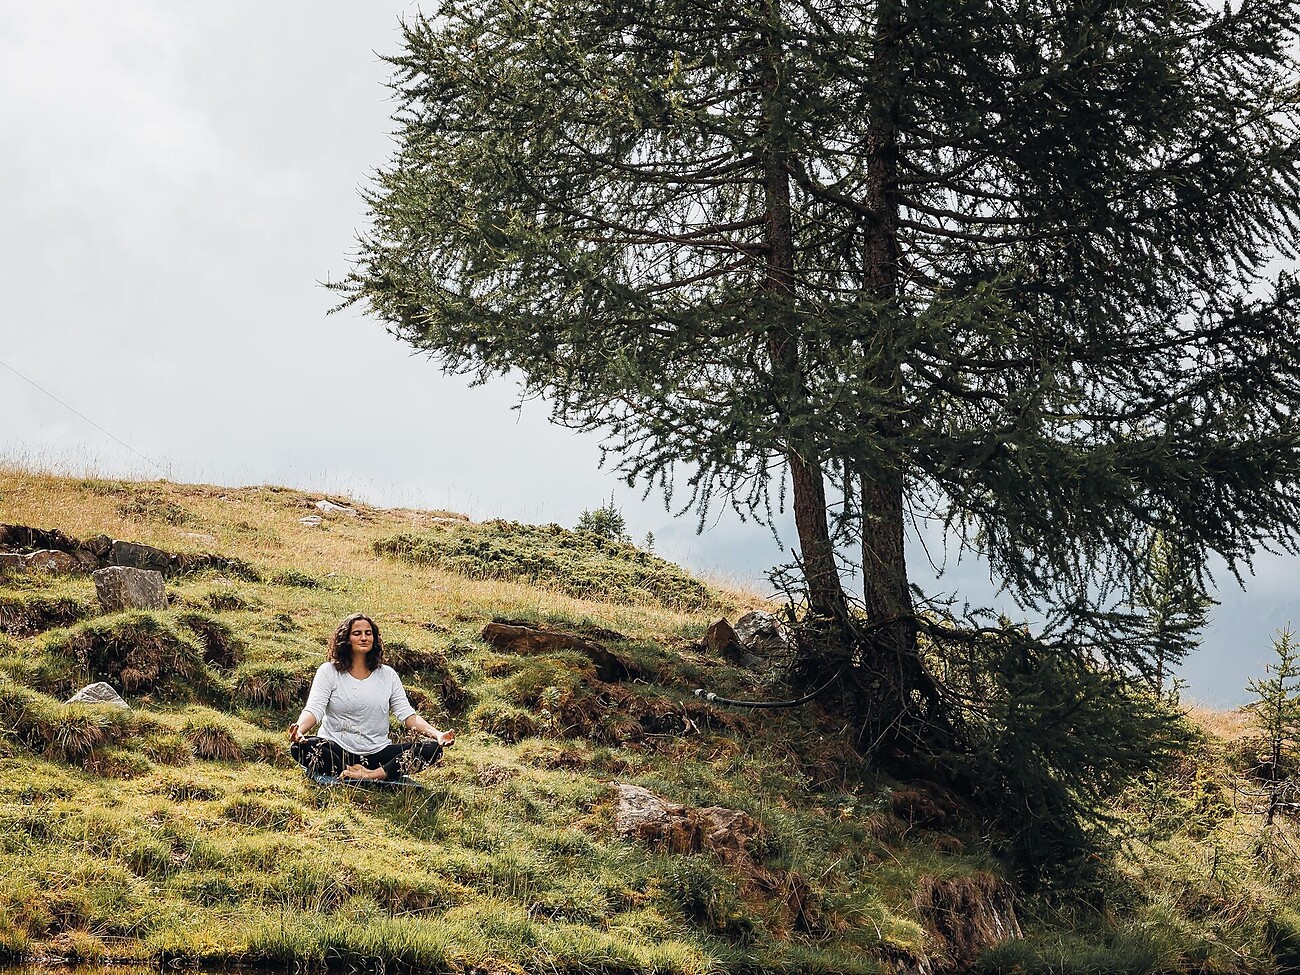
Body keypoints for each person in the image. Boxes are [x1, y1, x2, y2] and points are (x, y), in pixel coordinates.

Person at [288, 613, 455, 782]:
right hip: (337, 750)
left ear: (374, 638)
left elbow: (407, 715)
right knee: (299, 748)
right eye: (357, 633)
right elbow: (314, 709)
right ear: (346, 639)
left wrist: (437, 734)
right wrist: (299, 730)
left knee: (433, 749)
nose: (363, 638)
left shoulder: (388, 675)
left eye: (368, 633)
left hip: (376, 754)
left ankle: (372, 775)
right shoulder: (329, 671)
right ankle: (350, 771)